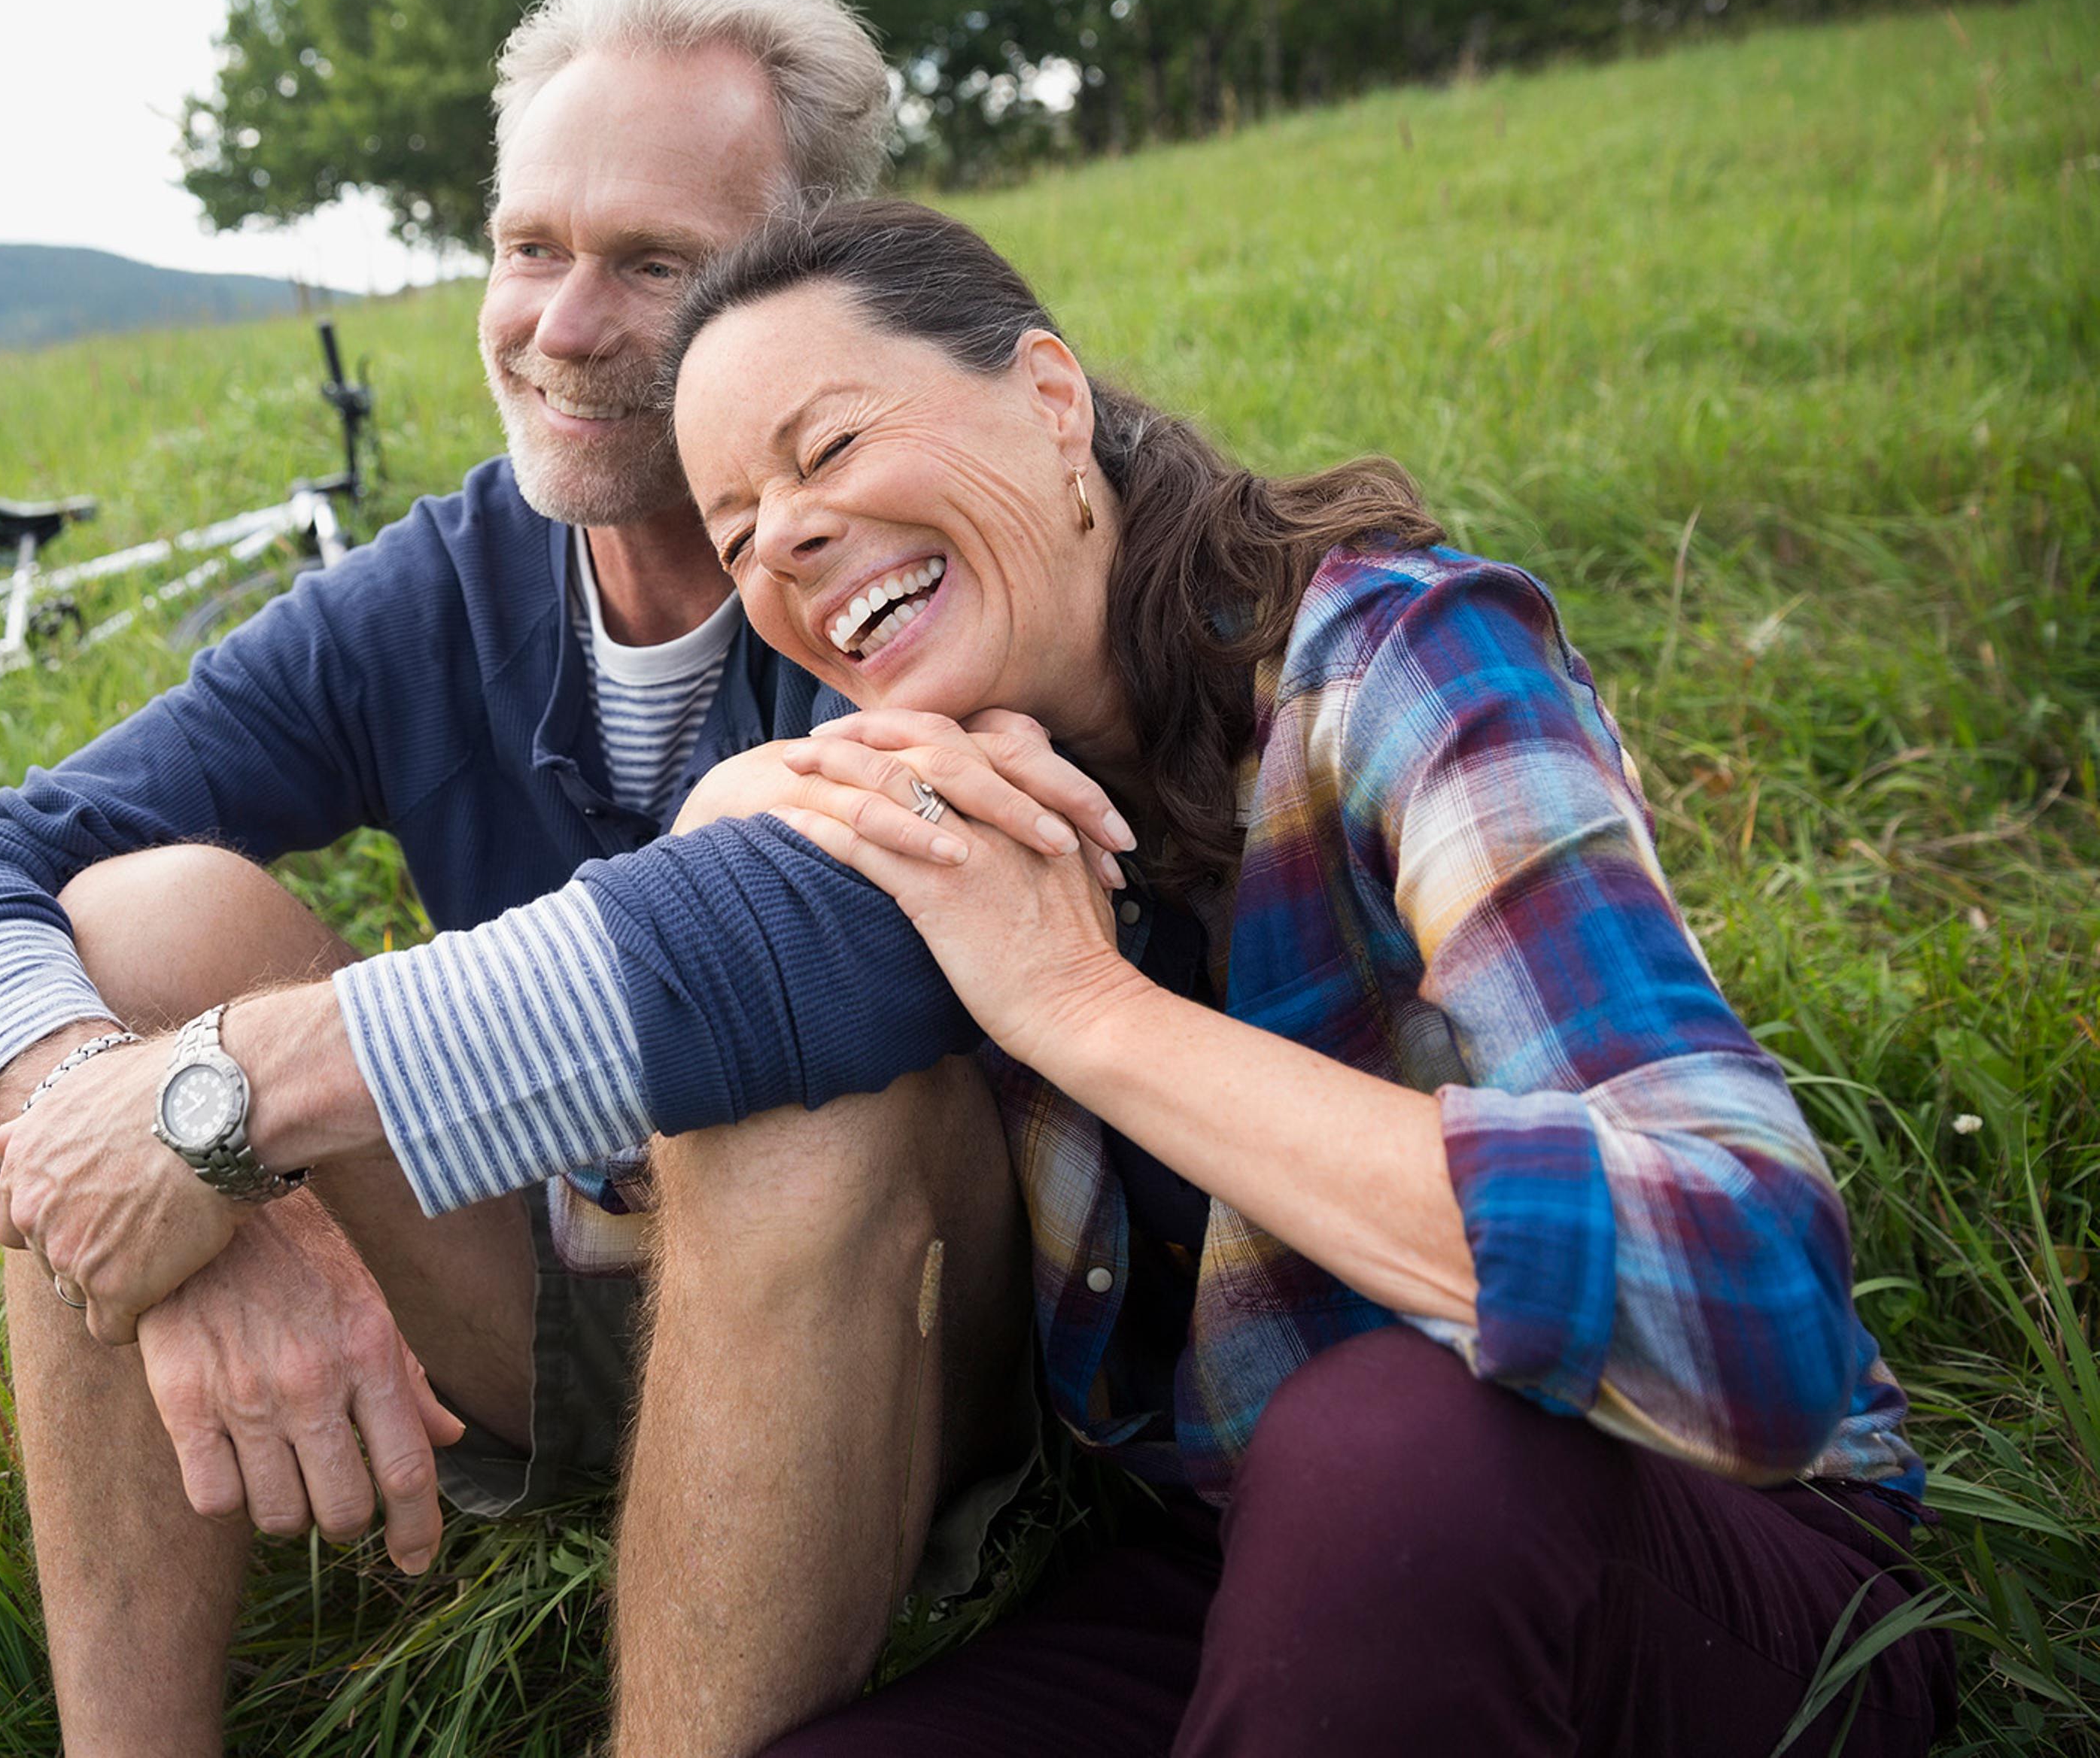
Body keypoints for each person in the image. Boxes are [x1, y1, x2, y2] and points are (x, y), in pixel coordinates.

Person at [0, 0, 1084, 1758]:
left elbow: (845, 934)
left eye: (654, 262)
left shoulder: (895, 533)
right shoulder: (428, 591)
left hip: (900, 1337)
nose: (560, 329)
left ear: (798, 277)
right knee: (134, 923)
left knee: (814, 1111)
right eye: (527, 247)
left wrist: (229, 1108)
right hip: (553, 1287)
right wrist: (114, 1129)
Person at [623, 197, 1947, 1754]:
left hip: (1669, 1528)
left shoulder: (1409, 662)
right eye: (736, 529)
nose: (781, 535)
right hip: (1241, 1574)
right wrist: (717, 841)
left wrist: (1085, 1007)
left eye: (826, 449)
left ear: (1053, 403)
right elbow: (614, 1206)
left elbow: (1759, 1307)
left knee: (1381, 1443)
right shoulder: (947, 813)